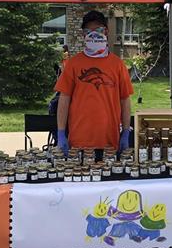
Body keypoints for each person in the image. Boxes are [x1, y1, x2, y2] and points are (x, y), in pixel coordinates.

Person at [55, 10, 133, 154]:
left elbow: (125, 100)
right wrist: (60, 132)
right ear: (83, 34)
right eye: (88, 31)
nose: (93, 35)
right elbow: (64, 99)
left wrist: (126, 131)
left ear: (106, 31)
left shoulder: (118, 65)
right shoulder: (73, 64)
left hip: (110, 140)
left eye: (98, 30)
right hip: (79, 141)